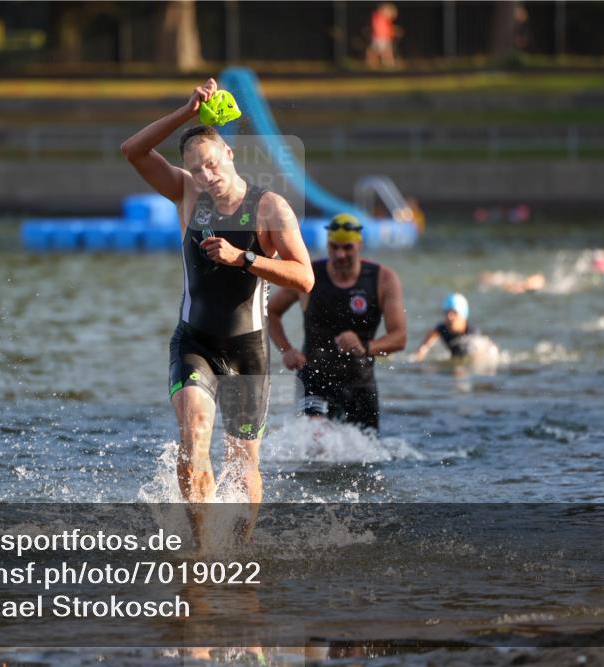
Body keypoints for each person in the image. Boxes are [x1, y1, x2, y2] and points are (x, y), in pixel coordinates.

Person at [120, 78, 314, 545]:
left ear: (228, 154)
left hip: (248, 350)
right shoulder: (188, 195)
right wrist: (187, 112)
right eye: (196, 169)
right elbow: (133, 150)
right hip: (195, 341)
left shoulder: (270, 208)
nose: (206, 176)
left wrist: (243, 258)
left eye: (211, 164)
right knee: (194, 434)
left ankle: (242, 549)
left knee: (244, 461)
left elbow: (305, 277)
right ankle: (203, 550)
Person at [267, 214, 406, 433]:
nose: (340, 254)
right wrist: (286, 349)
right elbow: (271, 312)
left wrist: (366, 347)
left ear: (359, 245)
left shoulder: (382, 279)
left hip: (360, 381)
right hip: (314, 378)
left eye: (347, 248)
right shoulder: (309, 275)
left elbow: (399, 337)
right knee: (317, 438)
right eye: (334, 247)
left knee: (364, 455)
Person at [412, 293, 482, 362]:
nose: (449, 317)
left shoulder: (472, 333)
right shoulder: (442, 328)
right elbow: (423, 348)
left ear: (463, 316)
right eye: (447, 312)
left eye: (454, 313)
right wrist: (420, 354)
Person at [366, 3, 400, 69]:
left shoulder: (384, 20)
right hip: (381, 37)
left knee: (383, 51)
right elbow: (379, 28)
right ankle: (388, 65)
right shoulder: (378, 18)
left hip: (383, 37)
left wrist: (393, 31)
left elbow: (388, 28)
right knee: (383, 52)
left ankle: (387, 65)